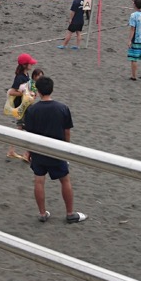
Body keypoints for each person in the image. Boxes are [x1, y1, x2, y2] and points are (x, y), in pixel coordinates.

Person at [20, 76, 87, 224]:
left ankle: (42, 213)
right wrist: (66, 148)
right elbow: (67, 131)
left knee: (39, 181)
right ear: (52, 89)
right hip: (56, 149)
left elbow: (29, 134)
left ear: (38, 91)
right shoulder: (62, 108)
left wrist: (29, 151)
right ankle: (70, 213)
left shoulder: (32, 110)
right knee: (65, 180)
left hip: (38, 149)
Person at [6, 54, 37, 161]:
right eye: (30, 63)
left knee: (20, 128)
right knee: (30, 129)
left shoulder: (26, 75)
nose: (32, 65)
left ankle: (12, 151)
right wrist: (24, 93)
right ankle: (26, 155)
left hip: (25, 105)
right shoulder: (19, 77)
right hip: (22, 107)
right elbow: (12, 92)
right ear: (24, 65)